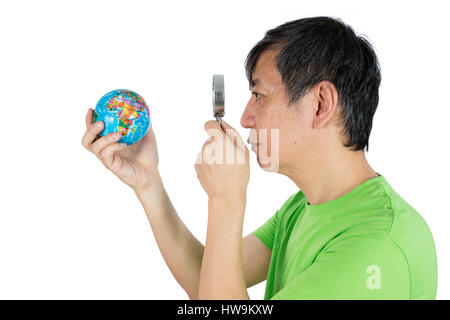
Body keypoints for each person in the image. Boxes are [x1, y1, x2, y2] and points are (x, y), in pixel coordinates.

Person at [81, 16, 437, 299]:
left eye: (259, 95)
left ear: (320, 104)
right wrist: (148, 182)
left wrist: (227, 201)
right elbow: (208, 279)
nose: (245, 118)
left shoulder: (375, 245)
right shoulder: (302, 208)